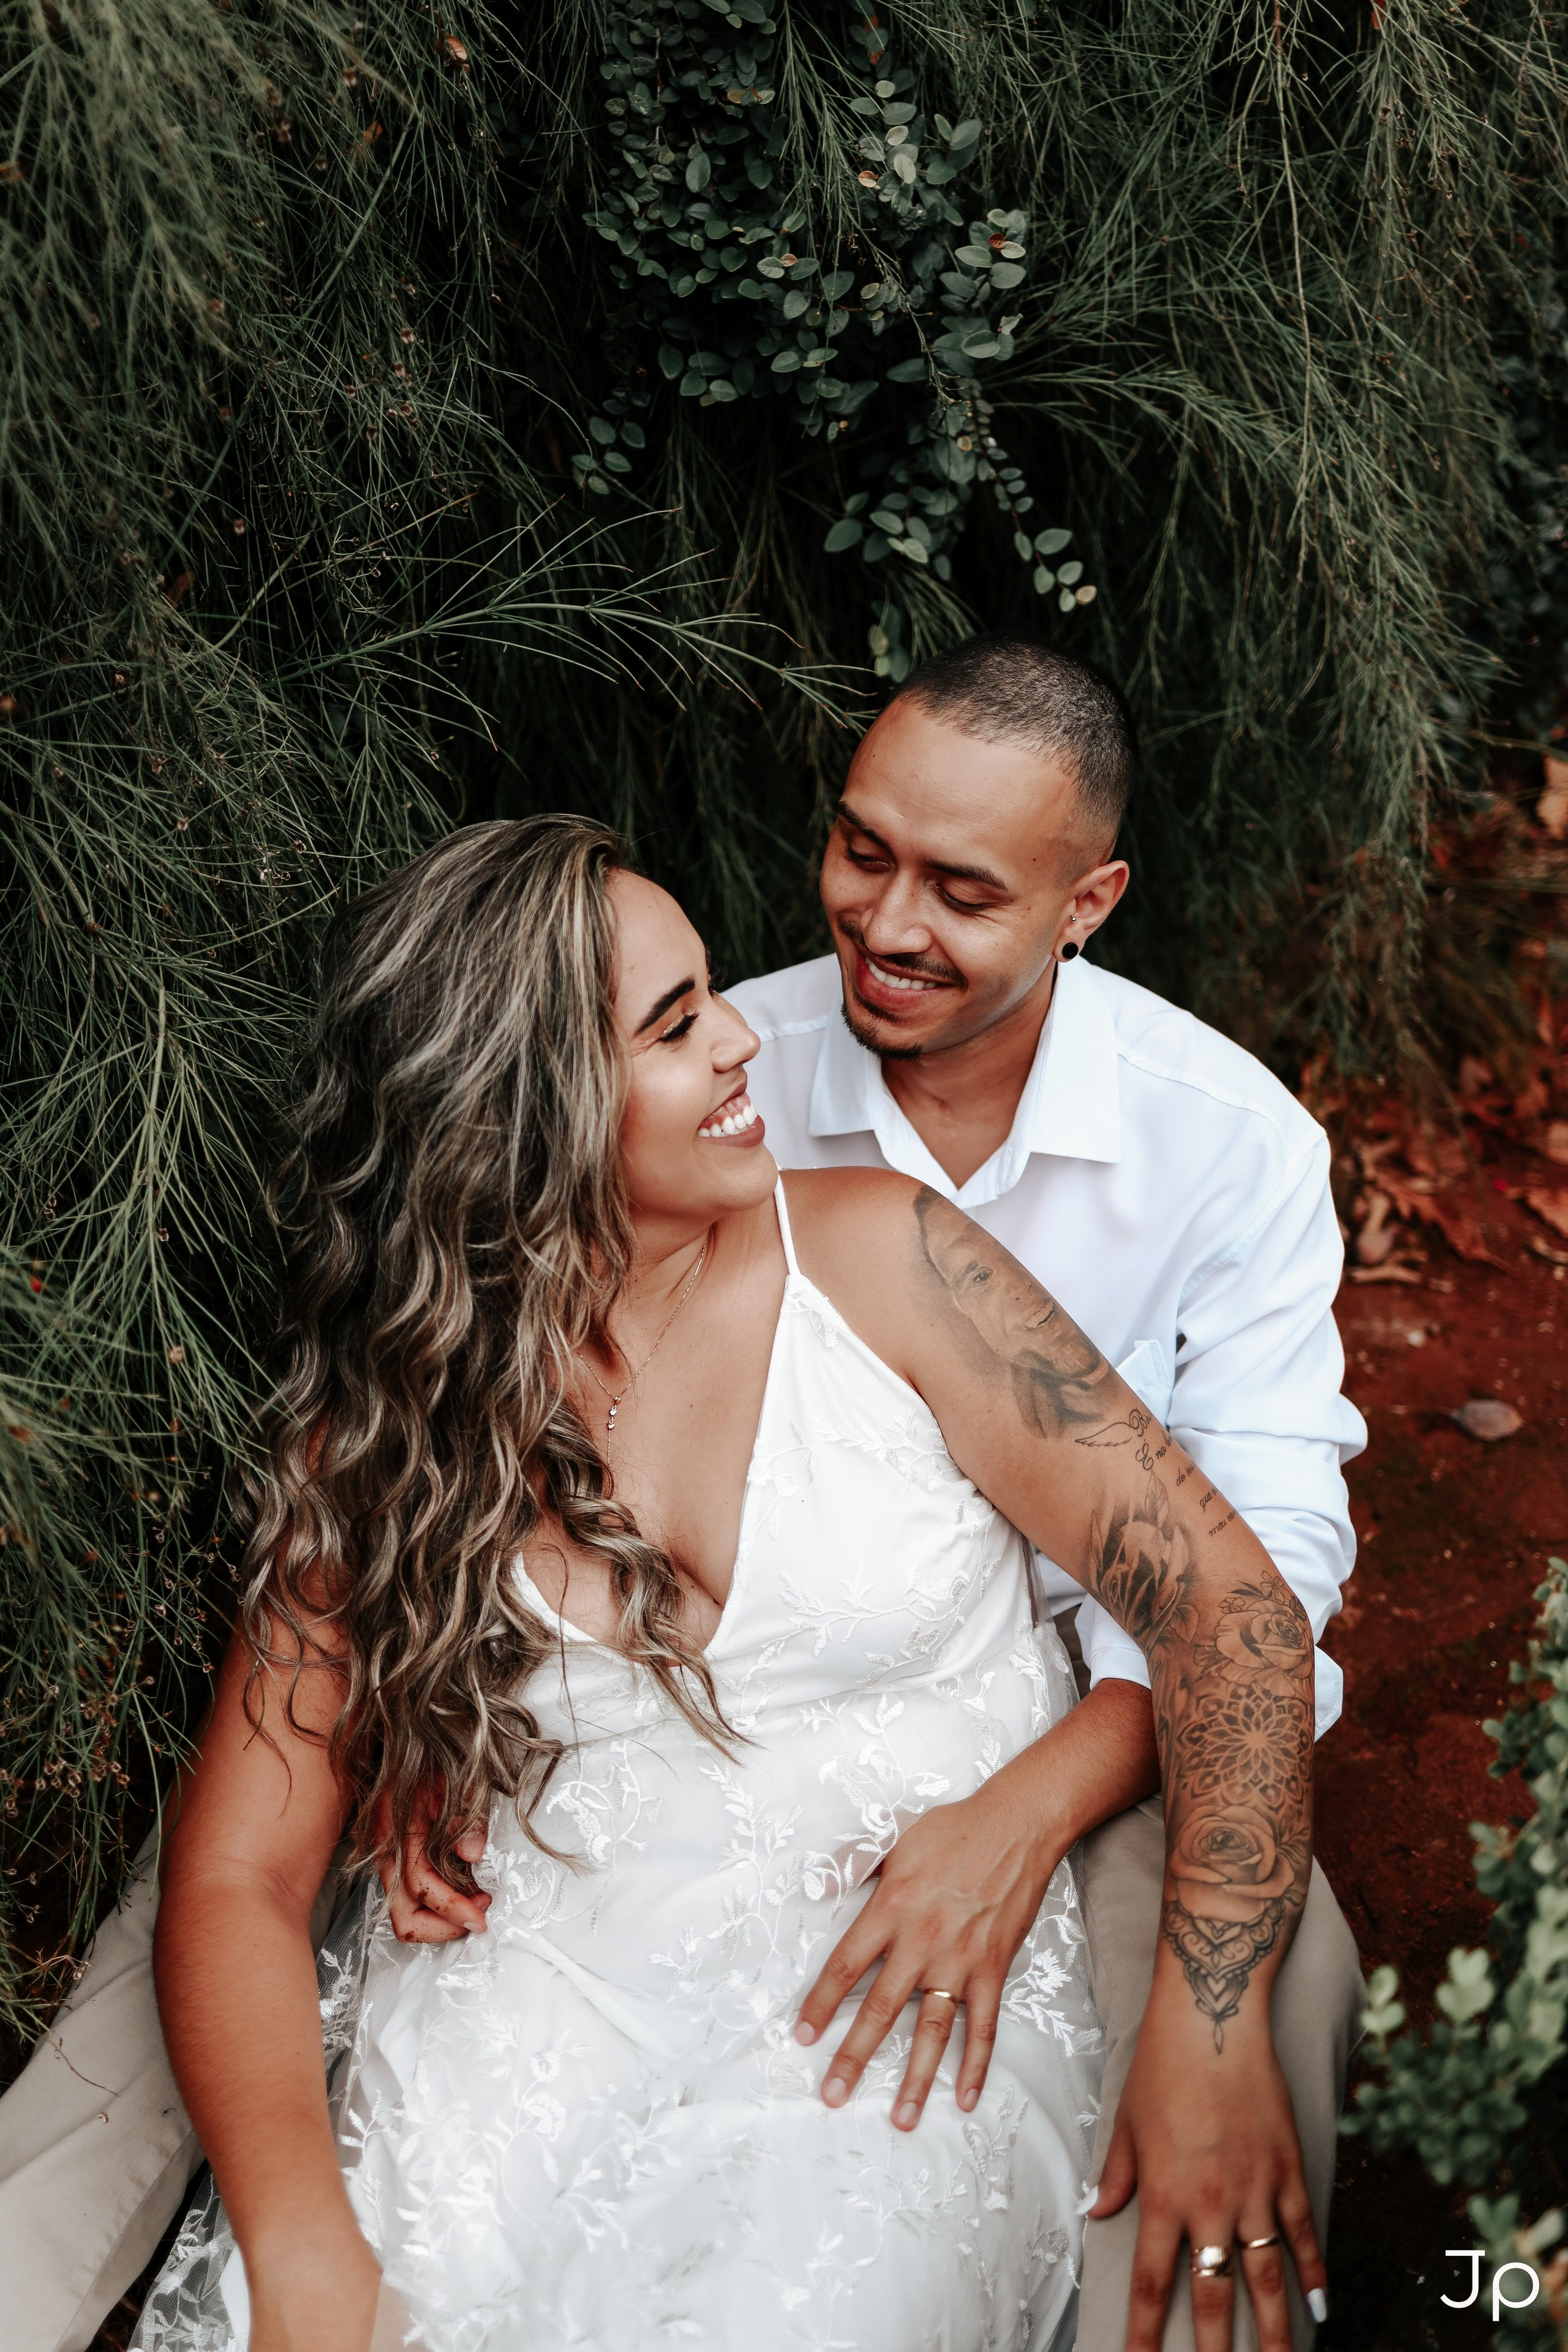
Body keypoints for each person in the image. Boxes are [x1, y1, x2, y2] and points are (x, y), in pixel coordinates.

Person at [119, 815, 1325, 2352]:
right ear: (521, 1114)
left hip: (881, 2013)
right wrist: (297, 2246)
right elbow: (239, 1874)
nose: (749, 1037)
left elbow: (1228, 1606)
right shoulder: (387, 1424)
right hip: (526, 2016)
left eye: (714, 997)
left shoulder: (889, 1263)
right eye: (678, 1023)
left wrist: (1212, 2037)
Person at [383, 644, 1366, 2350]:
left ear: (1090, 902)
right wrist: (435, 1707)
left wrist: (1042, 1801)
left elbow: (1255, 1584)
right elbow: (499, 1400)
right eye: (861, 852)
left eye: (964, 891)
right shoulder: (708, 1062)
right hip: (687, 1772)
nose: (886, 924)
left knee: (1248, 2088)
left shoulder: (1231, 1146)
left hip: (1143, 1717)